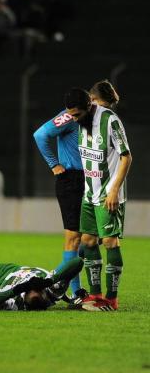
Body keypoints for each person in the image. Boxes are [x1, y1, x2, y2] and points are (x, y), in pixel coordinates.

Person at [64, 87, 132, 311]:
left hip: (108, 196)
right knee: (88, 241)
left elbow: (126, 157)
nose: (73, 119)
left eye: (76, 115)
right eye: (71, 115)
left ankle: (111, 299)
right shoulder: (82, 123)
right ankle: (96, 295)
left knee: (111, 242)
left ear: (89, 107)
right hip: (89, 194)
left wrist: (114, 190)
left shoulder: (110, 121)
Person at [33, 100, 84, 299]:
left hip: (91, 180)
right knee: (75, 238)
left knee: (90, 239)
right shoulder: (72, 115)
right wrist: (54, 164)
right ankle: (71, 289)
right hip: (72, 178)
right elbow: (40, 134)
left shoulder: (96, 118)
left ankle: (56, 282)